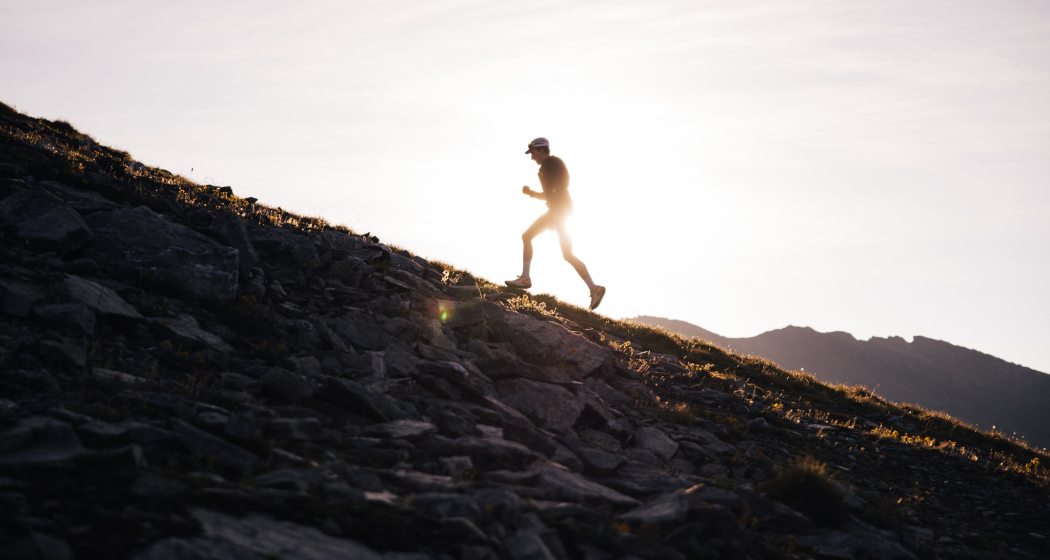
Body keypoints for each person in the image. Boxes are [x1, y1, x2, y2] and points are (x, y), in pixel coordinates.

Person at [506, 137, 606, 311]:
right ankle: (594, 288)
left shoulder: (550, 165)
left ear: (541, 150)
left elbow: (556, 187)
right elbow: (551, 192)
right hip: (563, 211)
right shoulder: (550, 166)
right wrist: (536, 193)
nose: (532, 157)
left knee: (527, 236)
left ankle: (525, 278)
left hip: (559, 211)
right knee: (567, 254)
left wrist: (539, 192)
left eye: (533, 153)